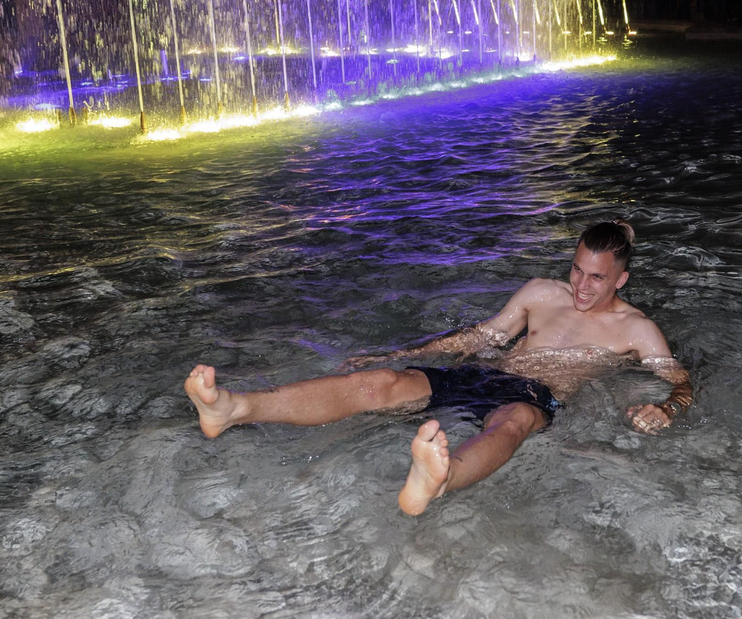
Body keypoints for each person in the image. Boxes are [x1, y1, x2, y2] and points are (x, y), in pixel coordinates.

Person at [182, 221, 694, 516]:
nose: (581, 286)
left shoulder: (637, 330)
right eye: (577, 270)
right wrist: (391, 357)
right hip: (482, 375)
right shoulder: (541, 293)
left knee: (512, 422)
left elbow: (681, 381)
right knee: (377, 385)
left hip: (536, 395)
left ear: (621, 279)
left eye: (597, 280)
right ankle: (234, 408)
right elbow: (482, 337)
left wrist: (667, 408)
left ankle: (438, 482)